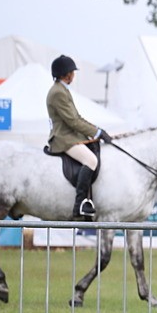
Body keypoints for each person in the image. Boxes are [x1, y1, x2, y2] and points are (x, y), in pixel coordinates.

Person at [46, 55, 114, 219]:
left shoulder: (62, 90)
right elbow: (72, 121)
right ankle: (80, 205)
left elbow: (78, 118)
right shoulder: (57, 93)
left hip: (71, 135)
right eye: (72, 72)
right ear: (66, 74)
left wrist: (97, 131)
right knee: (91, 160)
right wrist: (97, 133)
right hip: (63, 138)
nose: (73, 76)